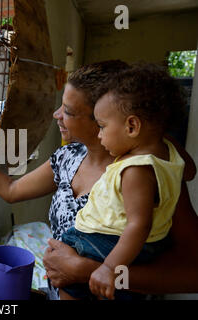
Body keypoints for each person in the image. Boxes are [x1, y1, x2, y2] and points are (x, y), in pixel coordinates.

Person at [0, 60, 198, 300]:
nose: (57, 114)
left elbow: (192, 274)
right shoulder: (68, 157)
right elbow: (10, 189)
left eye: (68, 110)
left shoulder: (146, 174)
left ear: (102, 118)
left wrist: (87, 270)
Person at [58, 63, 185, 300]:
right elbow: (190, 171)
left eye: (103, 126)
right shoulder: (168, 153)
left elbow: (139, 225)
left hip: (109, 244)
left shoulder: (136, 170)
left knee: (66, 271)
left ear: (132, 126)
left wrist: (109, 269)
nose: (99, 135)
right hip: (146, 250)